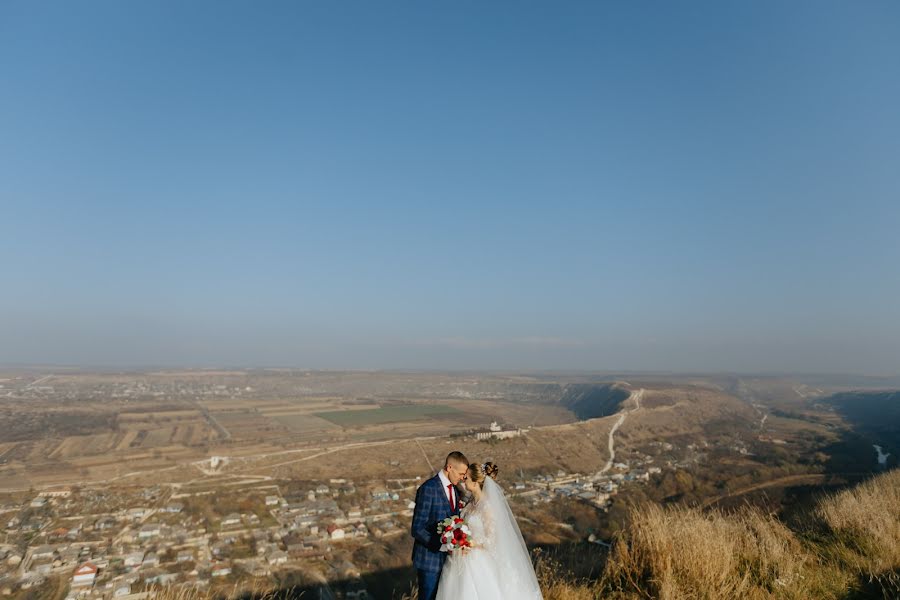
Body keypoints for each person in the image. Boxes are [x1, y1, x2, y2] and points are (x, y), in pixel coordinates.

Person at [435, 461, 543, 600]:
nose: (463, 479)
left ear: (475, 483)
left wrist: (470, 543)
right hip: (461, 557)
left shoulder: (486, 508)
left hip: (477, 559)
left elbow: (491, 540)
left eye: (466, 477)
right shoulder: (470, 502)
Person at [411, 450, 469, 600]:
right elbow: (417, 528)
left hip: (449, 562)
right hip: (429, 561)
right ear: (449, 467)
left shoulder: (455, 489)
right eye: (461, 474)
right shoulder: (428, 489)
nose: (462, 478)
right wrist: (442, 545)